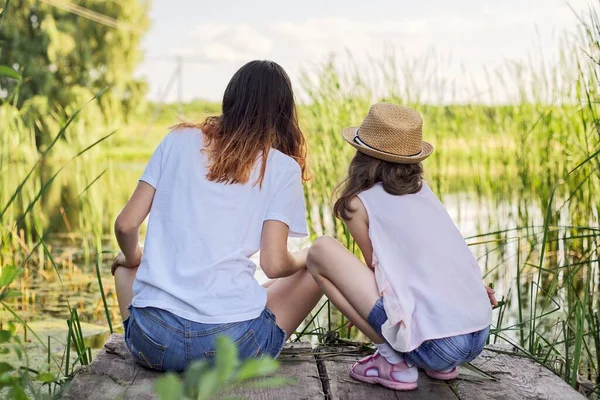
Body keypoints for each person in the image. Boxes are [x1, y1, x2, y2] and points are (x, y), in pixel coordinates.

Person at [111, 60, 322, 372]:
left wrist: (133, 256)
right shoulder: (281, 167)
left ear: (230, 100)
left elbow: (126, 225)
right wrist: (308, 257)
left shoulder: (177, 140)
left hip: (155, 345)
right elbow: (275, 264)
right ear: (283, 113)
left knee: (126, 266)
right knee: (316, 269)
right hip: (233, 347)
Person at [306, 103, 496, 391]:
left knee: (319, 253)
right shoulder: (424, 192)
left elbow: (378, 273)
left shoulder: (357, 204)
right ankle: (441, 367)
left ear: (361, 154)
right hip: (478, 333)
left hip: (437, 345)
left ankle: (392, 361)